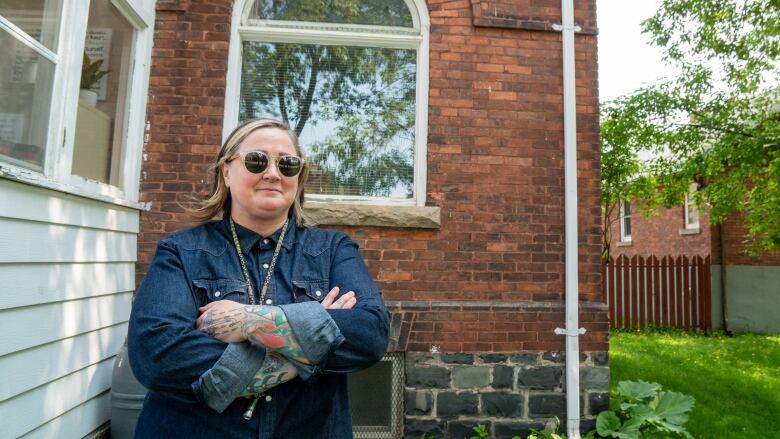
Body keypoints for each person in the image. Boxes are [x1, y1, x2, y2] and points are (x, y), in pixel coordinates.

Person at [128, 118, 390, 438]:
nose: (272, 173)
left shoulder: (332, 250)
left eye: (288, 164)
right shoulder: (181, 251)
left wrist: (244, 320)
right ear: (226, 171)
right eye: (256, 160)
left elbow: (370, 333)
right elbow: (157, 355)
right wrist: (305, 351)